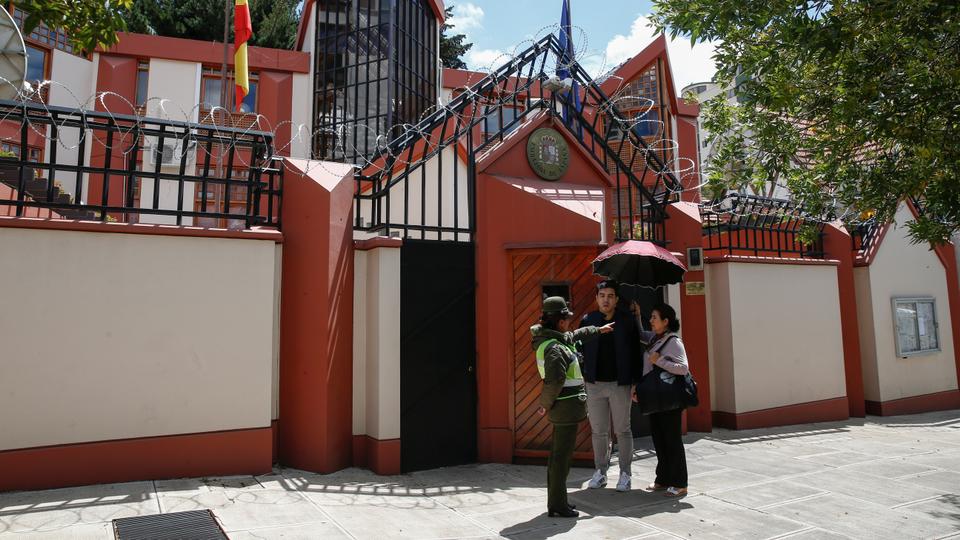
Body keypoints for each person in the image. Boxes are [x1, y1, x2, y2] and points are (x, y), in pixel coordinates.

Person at [531, 296, 614, 518]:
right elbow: (554, 381)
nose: (569, 322)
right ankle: (558, 505)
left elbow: (576, 334)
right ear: (559, 322)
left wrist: (598, 330)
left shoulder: (556, 340)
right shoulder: (554, 348)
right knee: (561, 459)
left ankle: (557, 501)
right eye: (566, 318)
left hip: (565, 409)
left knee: (559, 456)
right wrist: (544, 405)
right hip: (564, 409)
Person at [579, 280, 640, 492]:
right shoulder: (588, 320)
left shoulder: (627, 320)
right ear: (596, 298)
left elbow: (635, 352)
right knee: (599, 431)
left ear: (616, 299)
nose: (606, 299)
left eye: (610, 296)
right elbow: (579, 349)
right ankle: (600, 472)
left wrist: (635, 382)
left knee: (623, 430)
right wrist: (584, 374)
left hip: (620, 384)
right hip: (594, 384)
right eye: (602, 295)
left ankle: (625, 474)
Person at [635, 302, 689, 498]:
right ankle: (663, 478)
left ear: (666, 322)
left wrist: (660, 361)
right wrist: (638, 315)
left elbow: (683, 368)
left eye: (654, 318)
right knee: (659, 439)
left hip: (670, 399)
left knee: (672, 441)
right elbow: (641, 334)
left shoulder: (673, 342)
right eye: (650, 317)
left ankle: (680, 482)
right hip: (656, 398)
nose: (651, 321)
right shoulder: (655, 339)